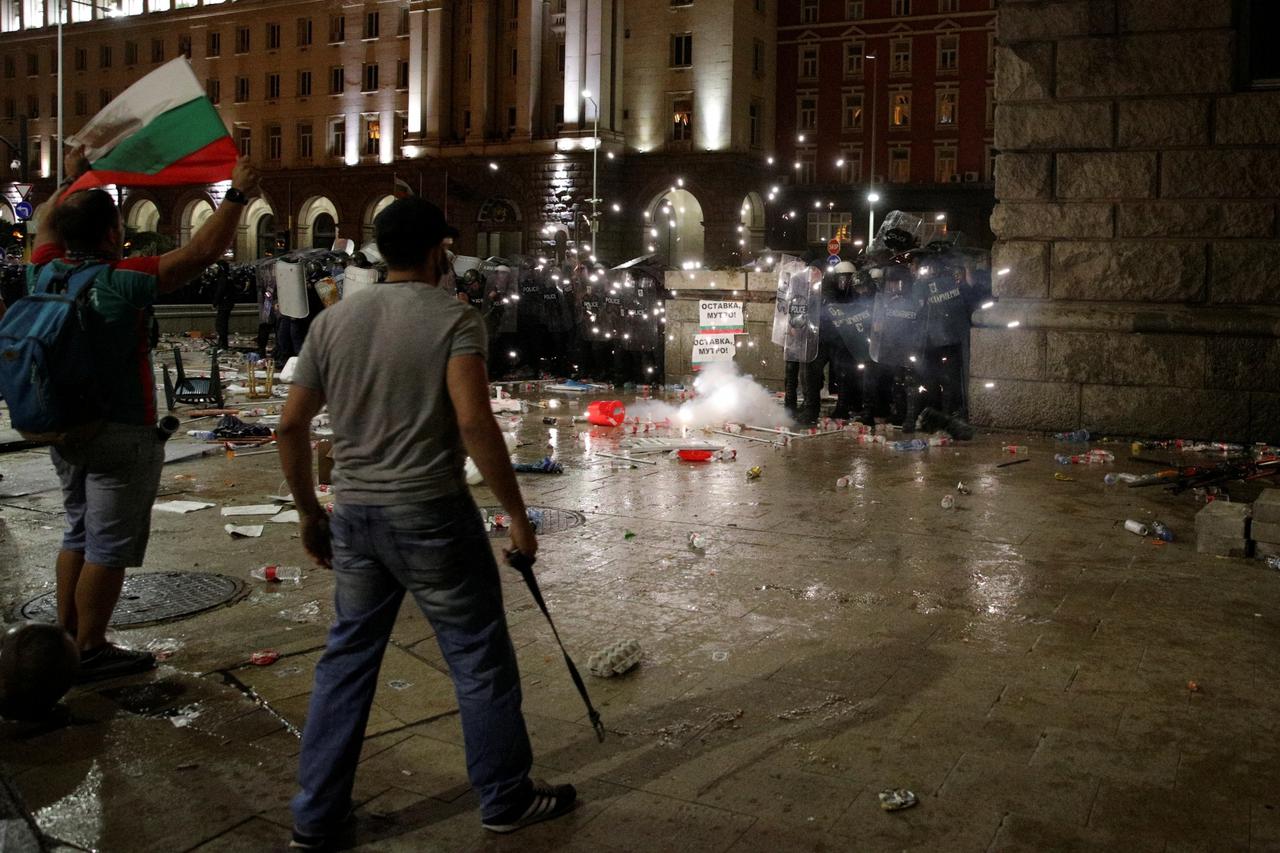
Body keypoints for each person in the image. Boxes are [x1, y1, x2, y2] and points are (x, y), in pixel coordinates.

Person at [276, 197, 576, 851]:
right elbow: (473, 421)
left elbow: (291, 424)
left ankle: (317, 817)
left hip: (354, 514)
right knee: (477, 658)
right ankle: (505, 796)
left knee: (346, 663)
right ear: (439, 250)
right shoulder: (454, 317)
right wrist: (519, 517)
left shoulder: (333, 322)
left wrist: (308, 511)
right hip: (432, 513)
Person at [27, 152, 260, 681]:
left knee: (76, 532)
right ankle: (90, 647)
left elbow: (44, 221)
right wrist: (238, 194)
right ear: (112, 232)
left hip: (62, 426)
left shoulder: (42, 271)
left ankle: (65, 637)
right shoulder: (119, 280)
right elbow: (200, 252)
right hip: (121, 430)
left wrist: (72, 179)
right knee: (107, 544)